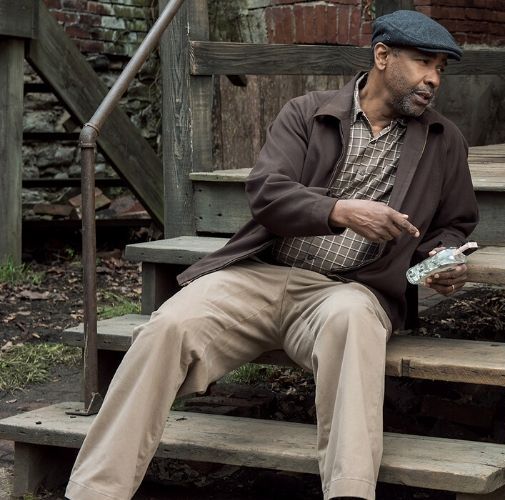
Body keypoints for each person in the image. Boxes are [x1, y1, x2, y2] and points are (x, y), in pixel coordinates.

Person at [65, 10, 477, 500]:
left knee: (354, 324)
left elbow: (454, 222)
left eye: (441, 69)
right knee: (165, 328)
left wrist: (445, 258)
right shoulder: (307, 112)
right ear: (382, 57)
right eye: (423, 62)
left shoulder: (443, 140)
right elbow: (267, 193)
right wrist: (341, 211)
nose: (433, 78)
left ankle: (349, 491)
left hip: (348, 290)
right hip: (260, 275)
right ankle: (94, 492)